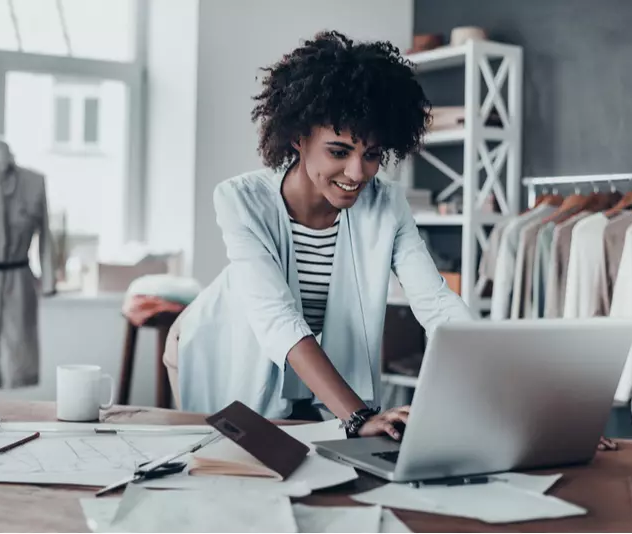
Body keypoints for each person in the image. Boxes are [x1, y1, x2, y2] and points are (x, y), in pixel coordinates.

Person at [163, 31, 473, 439]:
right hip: (217, 343)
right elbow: (278, 320)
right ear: (299, 137)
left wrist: (495, 390)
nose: (357, 173)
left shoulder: (387, 205)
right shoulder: (241, 200)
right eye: (339, 151)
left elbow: (436, 304)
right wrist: (358, 416)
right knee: (234, 470)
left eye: (373, 154)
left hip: (304, 355)